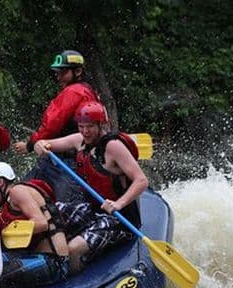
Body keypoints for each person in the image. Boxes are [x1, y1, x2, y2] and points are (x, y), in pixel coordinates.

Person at [33, 100, 148, 273]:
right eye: (81, 126)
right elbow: (46, 144)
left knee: (73, 248)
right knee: (48, 210)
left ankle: (75, 281)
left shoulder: (113, 147)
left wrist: (119, 204)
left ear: (101, 125)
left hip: (119, 218)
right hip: (93, 209)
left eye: (90, 127)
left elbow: (141, 180)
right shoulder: (79, 140)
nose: (85, 131)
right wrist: (39, 144)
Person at [13, 50, 100, 203]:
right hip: (77, 161)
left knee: (20, 196)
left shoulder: (74, 92)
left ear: (78, 71)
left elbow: (51, 124)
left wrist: (30, 144)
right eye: (57, 72)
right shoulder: (90, 91)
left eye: (63, 72)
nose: (58, 76)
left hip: (63, 163)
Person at [0, 162, 70, 288]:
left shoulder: (17, 192)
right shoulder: (8, 203)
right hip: (39, 258)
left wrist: (7, 231)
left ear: (0, 182)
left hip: (54, 263)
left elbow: (41, 223)